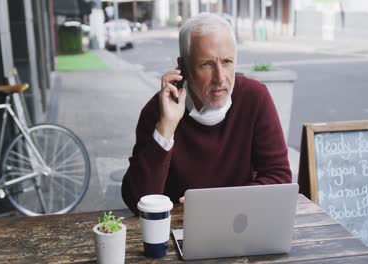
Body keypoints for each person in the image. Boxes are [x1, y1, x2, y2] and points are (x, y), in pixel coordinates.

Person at [121, 13, 291, 215]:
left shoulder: (254, 98)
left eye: (227, 62)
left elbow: (279, 178)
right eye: (207, 64)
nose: (220, 78)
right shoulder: (158, 110)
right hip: (178, 228)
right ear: (183, 67)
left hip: (242, 222)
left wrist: (219, 204)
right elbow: (137, 200)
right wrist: (166, 128)